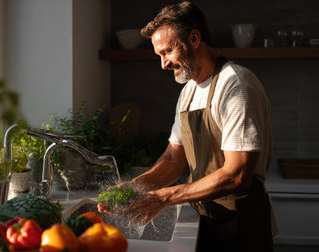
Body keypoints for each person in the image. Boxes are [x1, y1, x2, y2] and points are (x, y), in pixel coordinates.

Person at [98, 1, 277, 251]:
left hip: (240, 225)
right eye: (159, 55)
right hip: (204, 217)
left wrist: (164, 196)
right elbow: (173, 159)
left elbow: (238, 174)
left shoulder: (235, 84)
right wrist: (134, 188)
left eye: (168, 51)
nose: (163, 64)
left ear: (194, 38)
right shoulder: (189, 91)